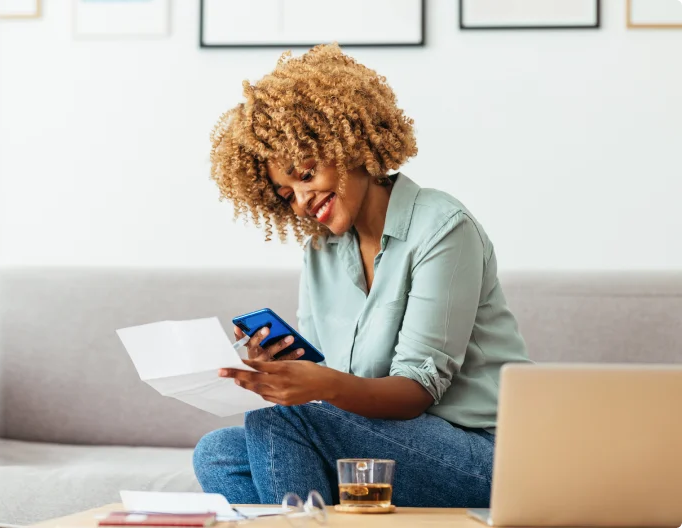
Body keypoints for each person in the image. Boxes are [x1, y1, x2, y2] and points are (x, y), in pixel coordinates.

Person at [193, 43, 530, 508]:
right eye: (286, 194)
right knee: (217, 453)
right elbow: (330, 388)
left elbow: (413, 393)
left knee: (282, 422)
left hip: (487, 455)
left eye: (306, 174)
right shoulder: (321, 249)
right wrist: (284, 368)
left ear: (348, 145)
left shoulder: (443, 227)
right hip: (382, 447)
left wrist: (317, 387)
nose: (303, 200)